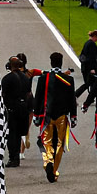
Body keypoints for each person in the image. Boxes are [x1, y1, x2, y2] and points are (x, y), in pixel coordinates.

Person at [34, 51, 77, 182]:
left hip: (47, 114)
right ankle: (54, 169)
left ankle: (48, 161)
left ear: (51, 62)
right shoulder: (68, 79)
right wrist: (74, 116)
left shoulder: (43, 78)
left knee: (46, 141)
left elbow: (38, 98)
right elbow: (71, 99)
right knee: (60, 143)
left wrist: (36, 115)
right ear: (61, 62)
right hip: (62, 115)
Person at [0, 55, 33, 168]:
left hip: (11, 109)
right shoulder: (26, 78)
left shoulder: (7, 79)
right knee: (18, 134)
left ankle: (12, 157)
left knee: (11, 134)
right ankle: (16, 157)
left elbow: (2, 95)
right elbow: (29, 93)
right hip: (23, 108)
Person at [77, 31, 97, 111]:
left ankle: (91, 99)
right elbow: (91, 58)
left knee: (91, 84)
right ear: (95, 36)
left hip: (85, 67)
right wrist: (92, 68)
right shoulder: (92, 45)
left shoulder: (87, 43)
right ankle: (76, 95)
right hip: (89, 68)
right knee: (91, 84)